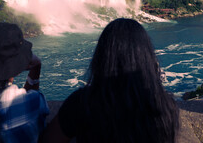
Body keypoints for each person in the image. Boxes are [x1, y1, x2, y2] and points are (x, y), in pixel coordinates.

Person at [43, 18, 179, 143]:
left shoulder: (82, 103)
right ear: (147, 57)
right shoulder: (165, 105)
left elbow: (49, 140)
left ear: (102, 56)